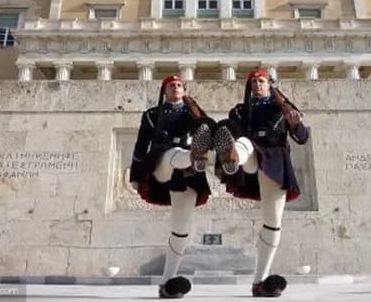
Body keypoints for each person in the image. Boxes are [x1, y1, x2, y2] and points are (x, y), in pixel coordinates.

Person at [212, 69, 310, 298]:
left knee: (273, 223)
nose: (257, 84)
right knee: (244, 143)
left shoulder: (283, 108)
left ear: (269, 84)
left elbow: (303, 138)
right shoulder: (239, 110)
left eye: (262, 81)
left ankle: (260, 282)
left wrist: (295, 125)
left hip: (275, 161)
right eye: (254, 81)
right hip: (251, 155)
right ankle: (231, 156)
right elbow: (233, 129)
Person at [129, 74, 215, 299]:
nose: (176, 88)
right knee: (175, 155)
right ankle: (195, 155)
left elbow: (213, 132)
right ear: (164, 91)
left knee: (180, 229)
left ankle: (167, 284)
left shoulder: (193, 112)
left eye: (179, 85)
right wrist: (136, 177)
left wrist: (196, 110)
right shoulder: (152, 115)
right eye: (171, 85)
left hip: (188, 173)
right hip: (162, 162)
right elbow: (140, 145)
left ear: (185, 90)